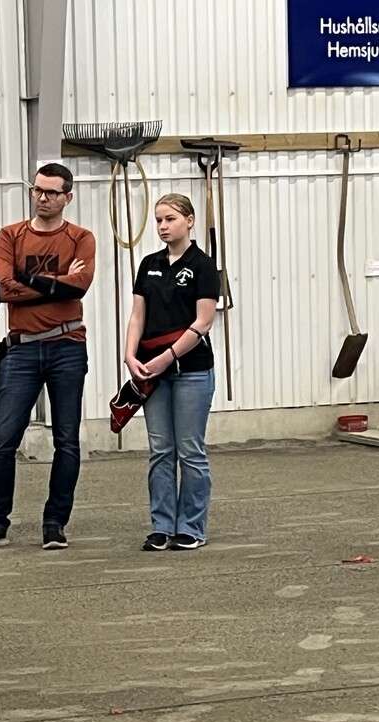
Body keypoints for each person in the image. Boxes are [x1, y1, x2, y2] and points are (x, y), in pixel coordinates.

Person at [0, 163, 95, 552]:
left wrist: (29, 280)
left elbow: (80, 287)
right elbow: (4, 289)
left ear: (67, 197)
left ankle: (55, 523)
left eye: (52, 192)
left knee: (67, 440)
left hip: (66, 345)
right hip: (21, 348)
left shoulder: (81, 238)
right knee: (4, 438)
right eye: (38, 190)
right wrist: (58, 284)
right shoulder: (10, 235)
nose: (43, 198)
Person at [124, 193, 219, 551]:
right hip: (152, 372)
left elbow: (203, 322)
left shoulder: (203, 265)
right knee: (161, 450)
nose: (163, 226)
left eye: (171, 219)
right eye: (159, 220)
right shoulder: (149, 264)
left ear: (189, 221)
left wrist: (168, 357)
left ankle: (191, 527)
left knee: (189, 450)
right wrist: (129, 355)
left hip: (191, 369)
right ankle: (162, 525)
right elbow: (138, 315)